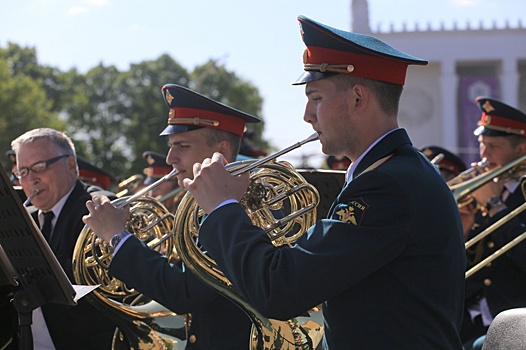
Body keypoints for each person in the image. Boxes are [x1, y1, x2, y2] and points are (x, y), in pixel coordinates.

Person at [181, 15, 466, 349]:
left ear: (358, 99)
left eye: (315, 97)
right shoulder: (391, 174)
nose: (306, 114)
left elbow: (280, 289)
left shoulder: (386, 186)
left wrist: (222, 208)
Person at [82, 84, 260, 349]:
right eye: (171, 146)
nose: (170, 157)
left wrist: (116, 236)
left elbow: (184, 291)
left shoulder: (242, 209)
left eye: (182, 146)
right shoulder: (203, 206)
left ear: (221, 150)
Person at [10, 128, 120, 350]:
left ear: (70, 165)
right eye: (23, 172)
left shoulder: (97, 208)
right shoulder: (25, 219)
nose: (31, 180)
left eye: (39, 167)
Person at [459, 97, 526, 349]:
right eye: (481, 145)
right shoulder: (478, 194)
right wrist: (462, 232)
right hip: (468, 317)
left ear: (520, 150)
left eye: (493, 147)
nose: (484, 156)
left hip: (513, 322)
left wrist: (496, 206)